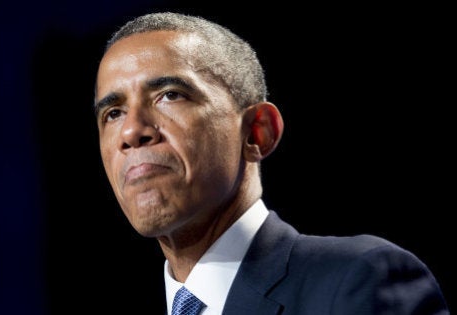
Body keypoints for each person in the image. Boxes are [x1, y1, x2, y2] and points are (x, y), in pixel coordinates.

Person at [92, 11, 449, 315]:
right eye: (113, 113)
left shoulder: (357, 280)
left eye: (170, 95)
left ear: (257, 133)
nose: (131, 130)